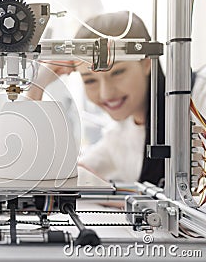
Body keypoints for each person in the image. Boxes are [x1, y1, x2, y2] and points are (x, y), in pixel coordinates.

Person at [28, 11, 165, 185]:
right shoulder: (118, 139)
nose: (106, 93)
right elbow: (44, 175)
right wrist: (38, 83)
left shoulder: (198, 99)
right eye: (90, 80)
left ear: (147, 63)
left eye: (118, 72)